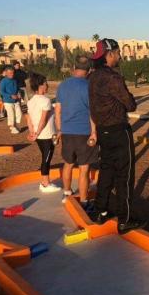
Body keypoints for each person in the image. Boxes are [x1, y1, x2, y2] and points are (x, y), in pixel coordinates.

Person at [88, 38, 146, 234]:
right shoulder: (113, 77)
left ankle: (100, 211)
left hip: (103, 131)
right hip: (119, 131)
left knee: (106, 172)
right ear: (109, 54)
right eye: (118, 52)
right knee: (124, 175)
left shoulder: (93, 77)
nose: (120, 56)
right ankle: (125, 218)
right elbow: (130, 104)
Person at [55, 56, 98, 208]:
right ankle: (84, 201)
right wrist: (94, 132)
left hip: (67, 132)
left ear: (74, 67)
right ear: (90, 70)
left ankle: (66, 193)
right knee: (84, 168)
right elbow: (93, 113)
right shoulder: (89, 87)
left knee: (68, 164)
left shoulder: (62, 86)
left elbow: (58, 110)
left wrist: (59, 130)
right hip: (84, 132)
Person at [26, 73, 61, 193]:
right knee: (46, 158)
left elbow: (29, 118)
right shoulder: (45, 100)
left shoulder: (31, 101)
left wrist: (32, 132)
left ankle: (45, 181)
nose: (47, 86)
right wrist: (37, 132)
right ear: (40, 86)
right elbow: (43, 119)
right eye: (46, 83)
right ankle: (45, 183)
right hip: (46, 135)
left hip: (39, 135)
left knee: (45, 157)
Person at [0, 66, 22, 134]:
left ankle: (16, 125)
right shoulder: (3, 81)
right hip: (7, 101)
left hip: (16, 100)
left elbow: (17, 88)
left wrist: (19, 93)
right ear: (6, 73)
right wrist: (10, 96)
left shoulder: (15, 80)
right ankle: (12, 127)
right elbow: (1, 91)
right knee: (11, 114)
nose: (12, 74)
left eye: (13, 73)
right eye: (10, 73)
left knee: (19, 113)